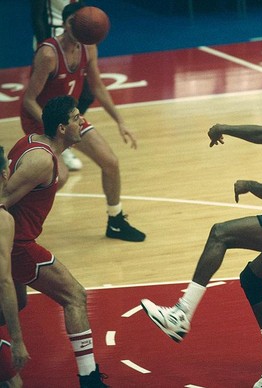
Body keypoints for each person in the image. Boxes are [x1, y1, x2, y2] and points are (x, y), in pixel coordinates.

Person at [141, 92, 262, 387]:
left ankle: (181, 315)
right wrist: (224, 128)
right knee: (251, 279)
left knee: (220, 233)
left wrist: (248, 184)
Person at [1, 96, 108, 387]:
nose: (82, 121)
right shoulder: (40, 160)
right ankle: (89, 379)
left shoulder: (32, 141)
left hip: (15, 242)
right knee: (74, 295)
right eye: (76, 118)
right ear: (62, 128)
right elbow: (2, 201)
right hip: (17, 245)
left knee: (16, 303)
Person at [21, 2, 145, 242]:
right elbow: (28, 101)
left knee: (110, 162)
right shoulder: (48, 54)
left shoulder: (88, 48)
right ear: (68, 25)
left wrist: (120, 120)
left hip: (68, 116)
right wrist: (52, 128)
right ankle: (16, 216)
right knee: (61, 176)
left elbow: (97, 85)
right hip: (41, 119)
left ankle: (116, 221)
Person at [30, 0, 92, 172]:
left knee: (87, 94)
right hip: (53, 39)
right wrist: (44, 45)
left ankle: (64, 135)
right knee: (48, 97)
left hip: (74, 38)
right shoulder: (48, 51)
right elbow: (37, 16)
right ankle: (54, 139)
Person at [0, 146, 30, 387]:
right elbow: (4, 281)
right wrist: (17, 339)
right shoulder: (3, 220)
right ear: (5, 174)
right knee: (14, 383)